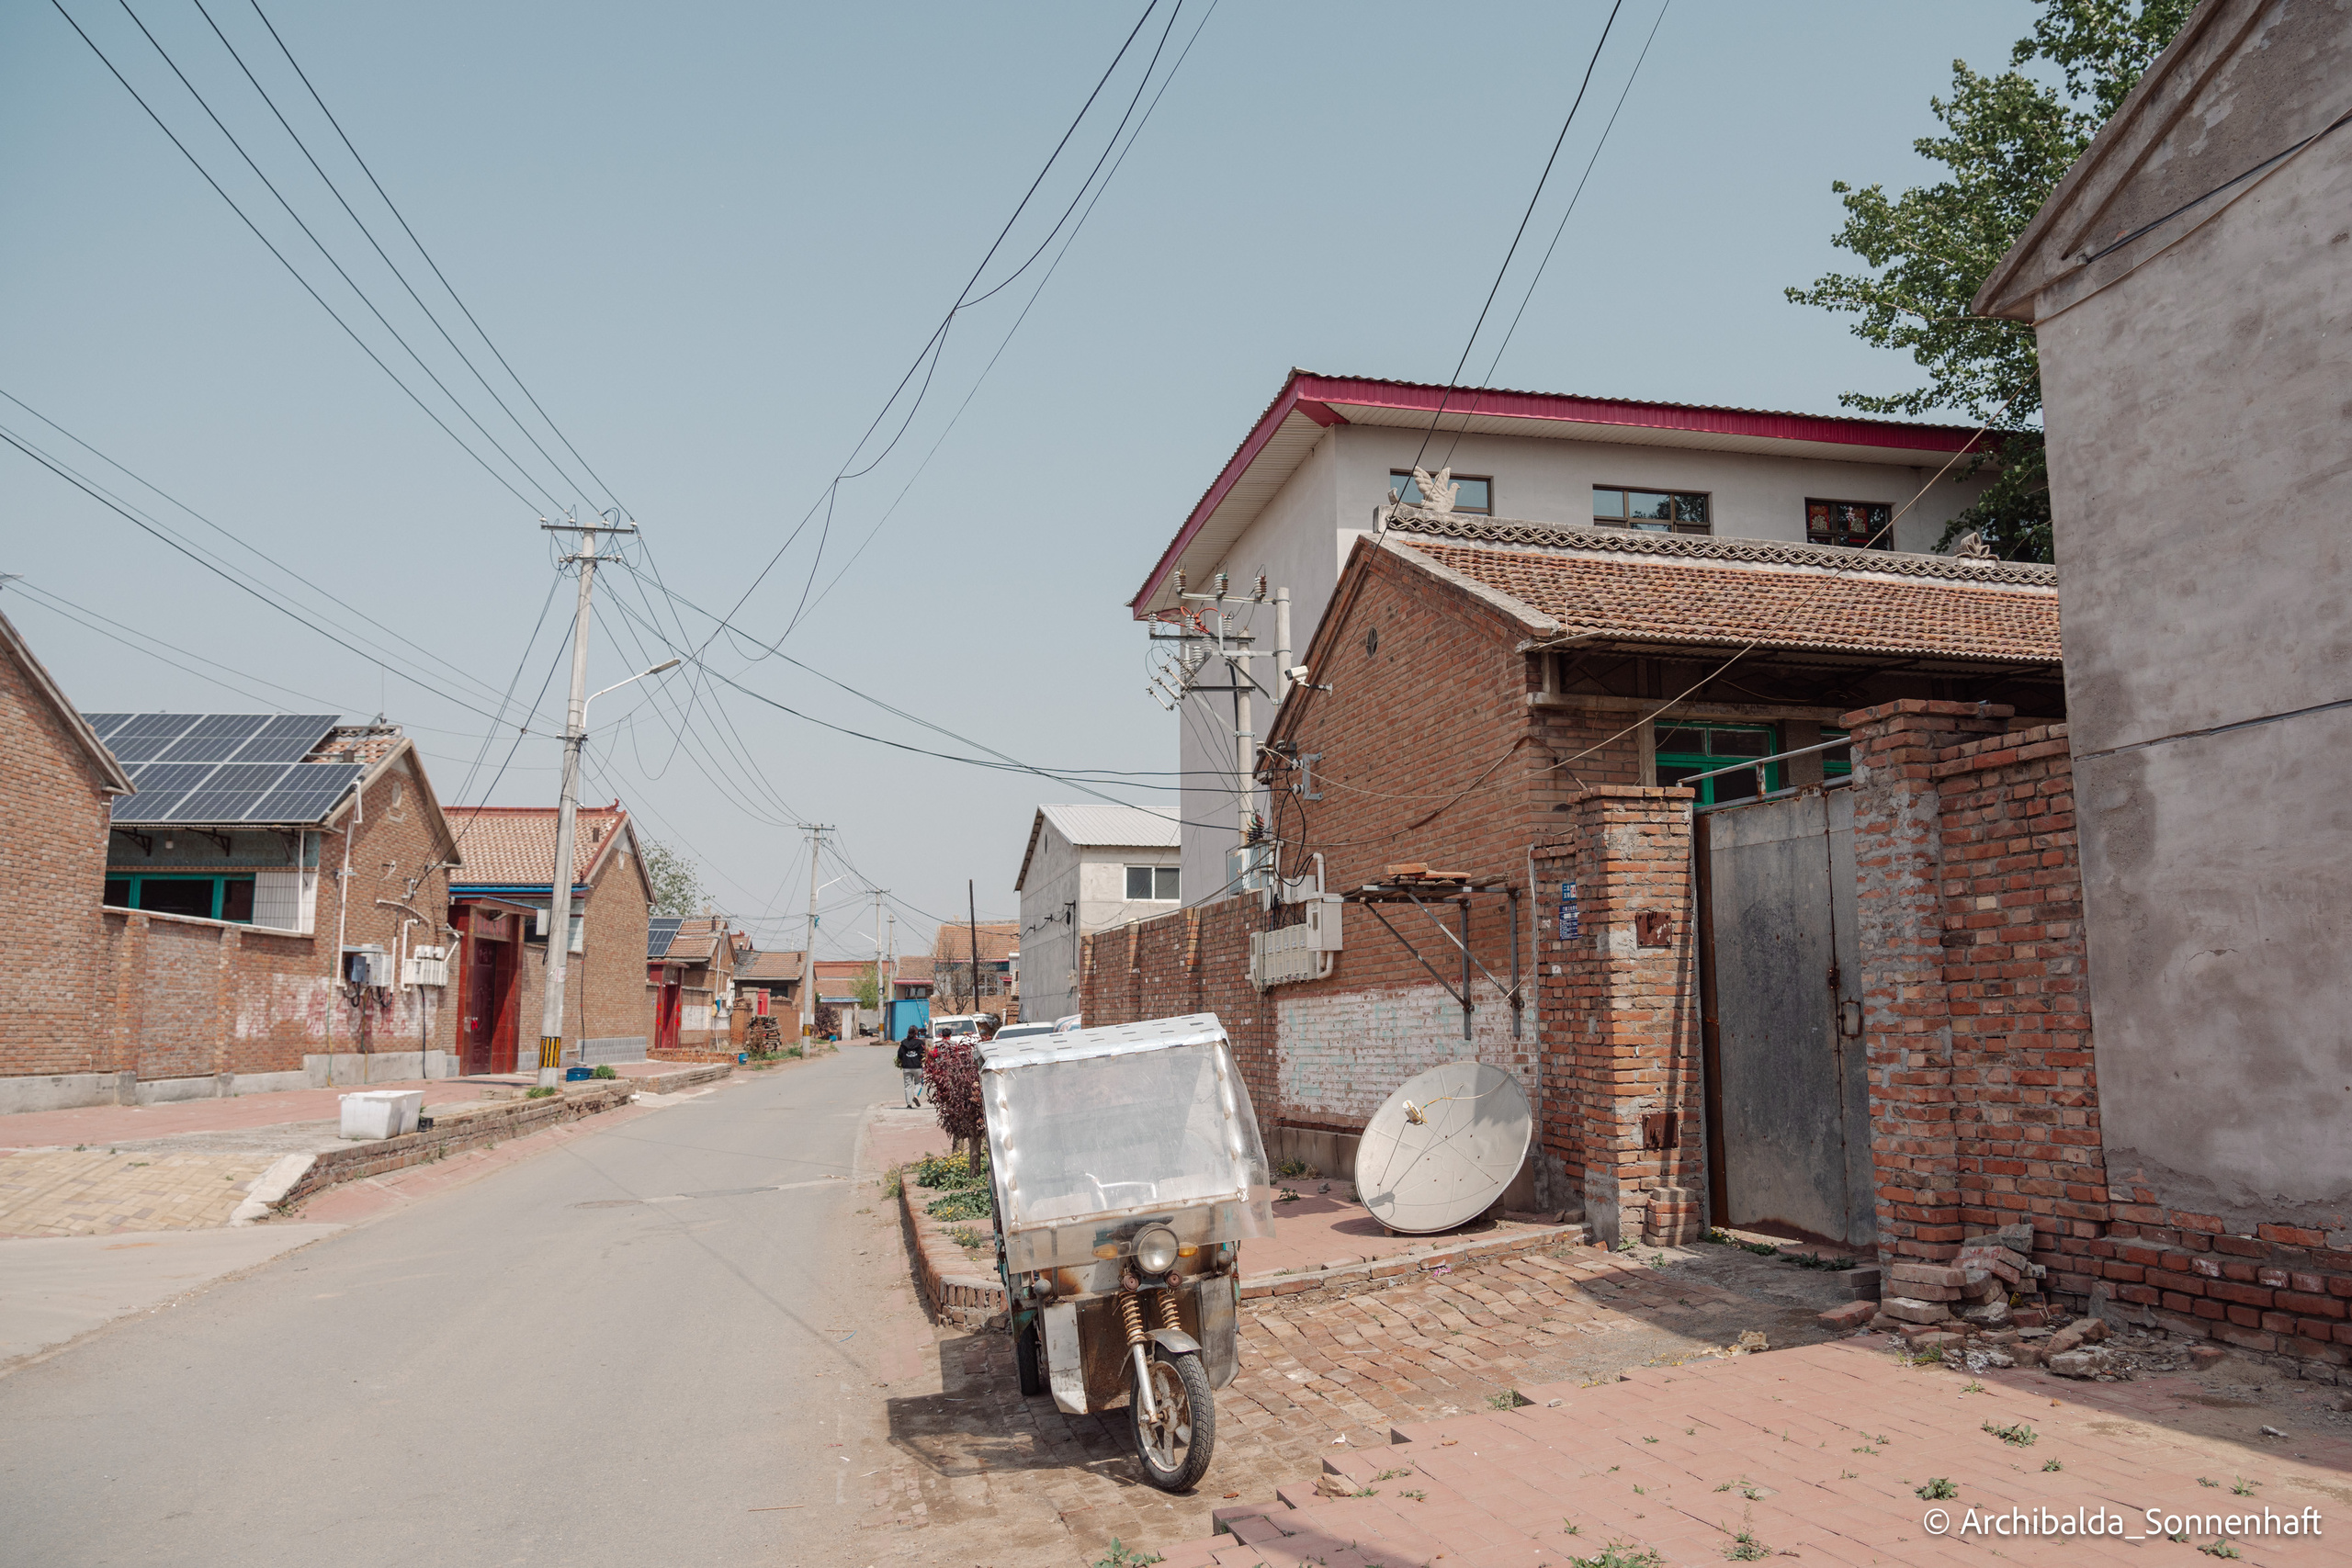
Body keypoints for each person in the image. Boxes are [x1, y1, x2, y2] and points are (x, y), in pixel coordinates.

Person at [896, 1025, 929, 1108]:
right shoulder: (920, 1043)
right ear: (916, 1033)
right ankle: (915, 1096)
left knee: (907, 1086)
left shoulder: (903, 1043)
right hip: (917, 1066)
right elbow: (923, 1054)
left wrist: (903, 1059)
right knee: (919, 1083)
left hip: (906, 1067)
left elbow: (899, 1055)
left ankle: (909, 1104)